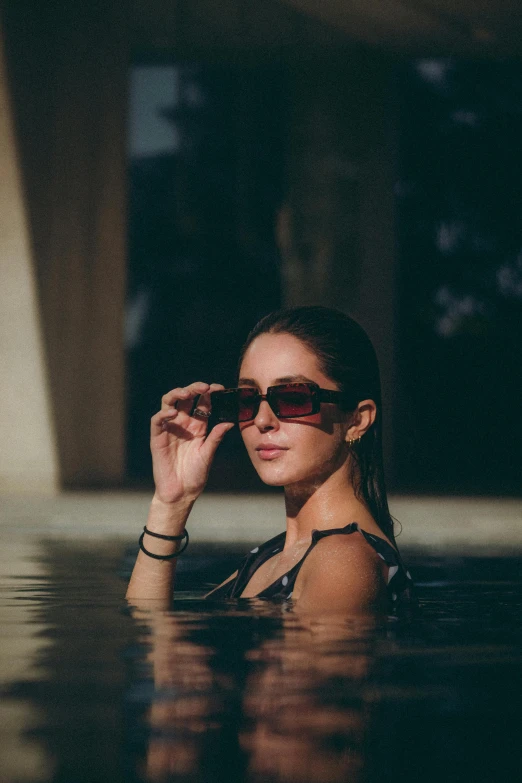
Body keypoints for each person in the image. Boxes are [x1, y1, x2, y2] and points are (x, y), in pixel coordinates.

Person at [126, 306, 414, 614]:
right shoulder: (274, 555)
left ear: (357, 420)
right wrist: (171, 504)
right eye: (247, 400)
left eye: (292, 398)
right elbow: (149, 632)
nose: (263, 420)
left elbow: (154, 647)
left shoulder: (342, 561)